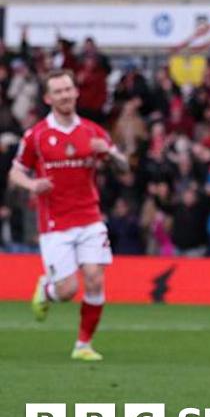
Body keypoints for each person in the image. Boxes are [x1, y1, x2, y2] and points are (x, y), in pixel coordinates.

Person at [11, 69, 129, 361]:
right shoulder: (36, 135)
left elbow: (125, 167)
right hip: (55, 223)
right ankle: (48, 289)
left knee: (94, 280)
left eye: (68, 89)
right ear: (49, 98)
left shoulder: (92, 131)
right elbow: (15, 171)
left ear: (75, 92)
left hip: (90, 216)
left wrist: (111, 154)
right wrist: (32, 184)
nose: (65, 95)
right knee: (67, 290)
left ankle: (83, 345)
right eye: (58, 91)